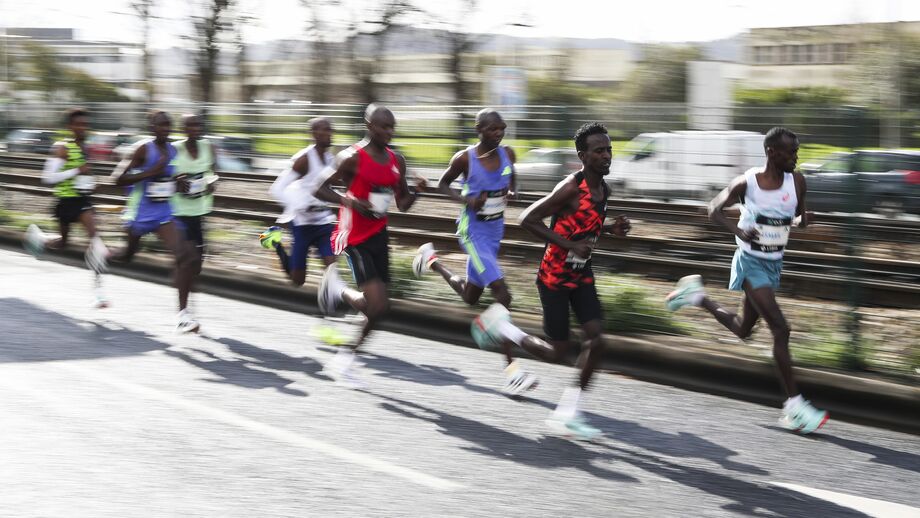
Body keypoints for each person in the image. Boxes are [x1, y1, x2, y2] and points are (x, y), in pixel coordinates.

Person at [665, 126, 828, 434]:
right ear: (771, 152)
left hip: (774, 264)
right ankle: (795, 406)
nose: (796, 157)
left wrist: (803, 221)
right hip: (750, 263)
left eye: (797, 151)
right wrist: (739, 231)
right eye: (791, 152)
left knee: (743, 329)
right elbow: (713, 209)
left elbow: (795, 218)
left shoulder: (798, 181)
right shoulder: (747, 182)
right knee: (781, 328)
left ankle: (696, 295)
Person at [486, 121, 630, 440]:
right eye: (599, 150)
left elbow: (585, 225)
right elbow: (527, 219)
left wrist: (610, 229)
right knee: (557, 352)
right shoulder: (570, 187)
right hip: (554, 275)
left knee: (597, 341)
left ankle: (567, 414)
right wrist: (568, 245)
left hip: (582, 274)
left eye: (609, 149)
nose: (607, 155)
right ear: (583, 156)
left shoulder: (604, 190)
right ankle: (504, 329)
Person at [411, 108, 541, 396]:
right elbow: (443, 184)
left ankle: (430, 260)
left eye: (501, 128)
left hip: (495, 232)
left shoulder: (508, 153)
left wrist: (512, 190)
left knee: (471, 296)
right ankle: (512, 372)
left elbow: (511, 175)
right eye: (493, 129)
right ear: (479, 130)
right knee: (503, 295)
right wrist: (467, 200)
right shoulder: (464, 159)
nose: (499, 133)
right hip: (472, 233)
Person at [313, 104, 427, 387]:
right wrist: (350, 201)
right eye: (383, 126)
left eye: (392, 127)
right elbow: (319, 187)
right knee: (377, 304)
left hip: (378, 234)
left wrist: (418, 190)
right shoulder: (351, 157)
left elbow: (403, 204)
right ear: (369, 125)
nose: (389, 132)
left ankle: (338, 299)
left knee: (379, 307)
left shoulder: (396, 160)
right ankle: (345, 357)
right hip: (352, 235)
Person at [110, 110, 199, 333]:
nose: (165, 129)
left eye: (168, 125)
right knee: (126, 256)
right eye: (161, 125)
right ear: (152, 127)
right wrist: (150, 171)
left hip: (163, 214)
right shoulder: (142, 149)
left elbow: (167, 177)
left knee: (186, 256)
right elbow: (117, 179)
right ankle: (101, 255)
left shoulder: (172, 150)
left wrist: (179, 182)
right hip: (140, 214)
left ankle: (183, 315)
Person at [24, 107, 111, 307]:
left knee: (95, 238)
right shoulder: (62, 147)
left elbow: (83, 175)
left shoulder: (85, 148)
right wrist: (76, 171)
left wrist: (90, 183)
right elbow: (48, 178)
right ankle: (39, 238)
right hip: (65, 202)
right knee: (63, 243)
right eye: (78, 124)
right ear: (70, 126)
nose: (82, 127)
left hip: (82, 200)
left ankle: (99, 292)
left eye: (85, 124)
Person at [260, 117, 337, 286]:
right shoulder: (305, 159)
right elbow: (277, 188)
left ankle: (332, 299)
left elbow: (328, 189)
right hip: (302, 224)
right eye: (325, 129)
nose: (330, 133)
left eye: (331, 129)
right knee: (298, 281)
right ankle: (276, 243)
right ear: (314, 134)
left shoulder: (331, 159)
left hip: (323, 222)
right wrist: (300, 206)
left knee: (332, 268)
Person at [172, 114, 218, 312]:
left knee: (197, 265)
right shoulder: (174, 148)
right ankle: (184, 309)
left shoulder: (208, 147)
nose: (194, 128)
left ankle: (182, 278)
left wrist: (212, 182)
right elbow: (164, 174)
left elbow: (214, 172)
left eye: (197, 125)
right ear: (183, 128)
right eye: (189, 125)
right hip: (178, 212)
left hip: (199, 211)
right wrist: (176, 180)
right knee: (187, 259)